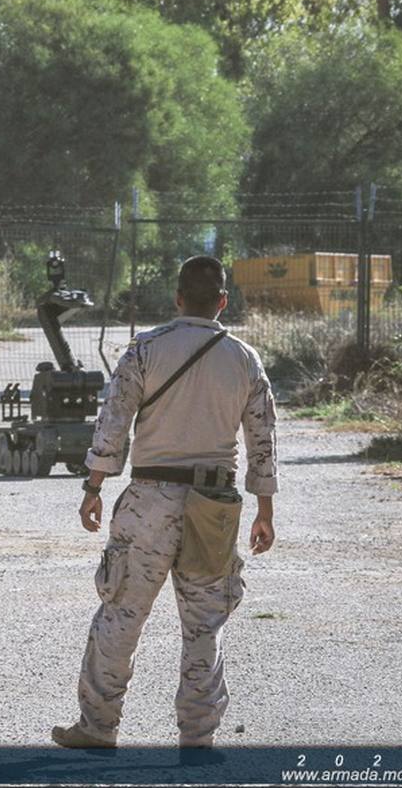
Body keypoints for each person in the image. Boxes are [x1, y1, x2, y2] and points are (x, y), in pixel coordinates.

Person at [51, 255, 277, 752]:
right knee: (204, 625)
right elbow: (262, 439)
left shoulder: (145, 350)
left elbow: (113, 424)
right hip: (214, 505)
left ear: (177, 299)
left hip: (149, 500)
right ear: (222, 301)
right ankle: (198, 739)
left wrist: (93, 487)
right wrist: (264, 511)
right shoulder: (243, 358)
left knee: (121, 616)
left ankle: (98, 726)